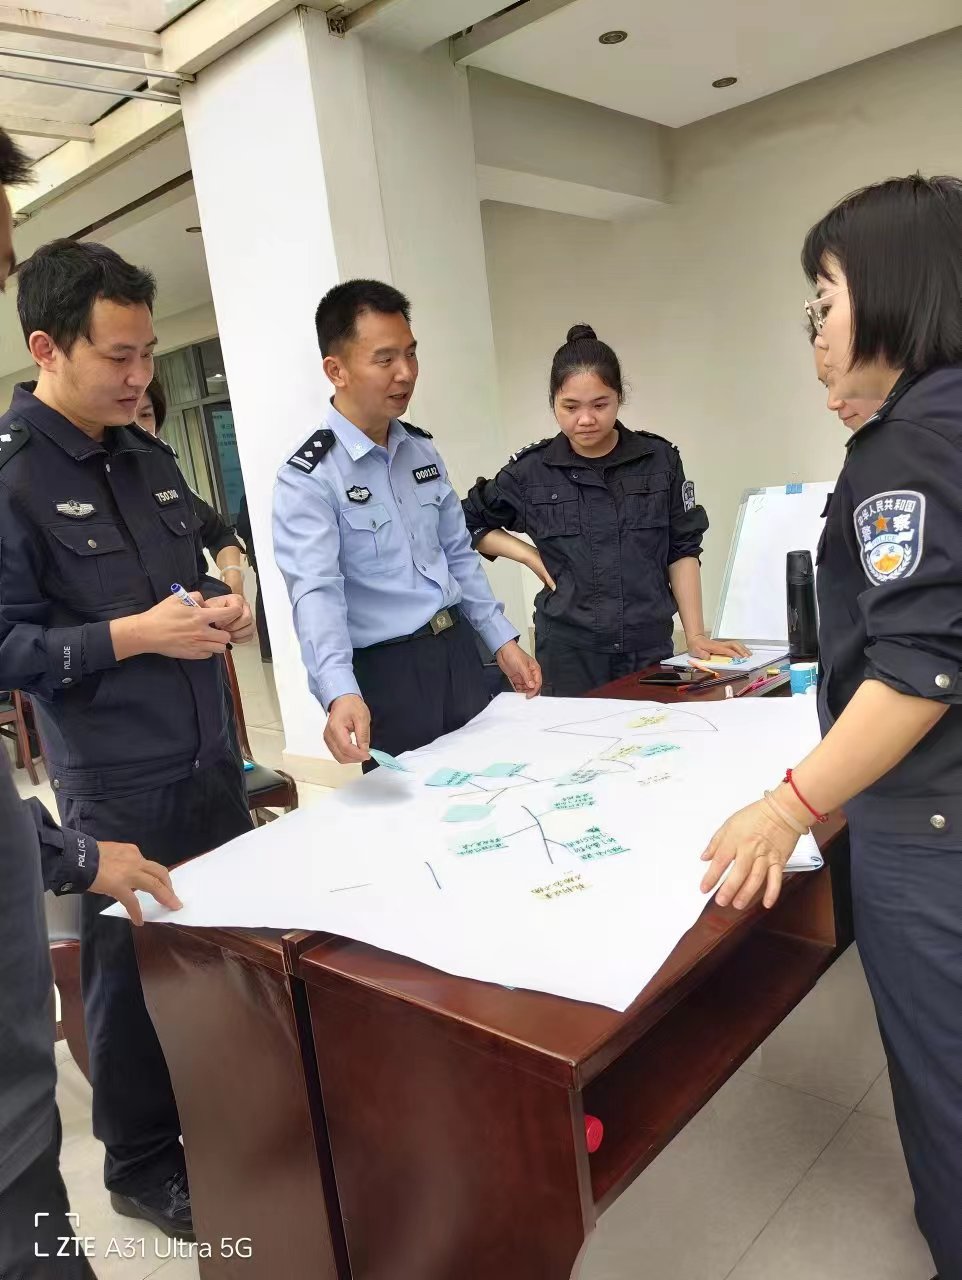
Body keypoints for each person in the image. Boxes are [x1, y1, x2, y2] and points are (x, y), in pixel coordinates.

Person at [700, 174, 962, 1280]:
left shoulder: (905, 446)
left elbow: (918, 670)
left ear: (895, 290)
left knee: (945, 1073)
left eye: (824, 301)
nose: (812, 336)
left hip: (931, 823)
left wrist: (787, 805)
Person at [0, 238, 256, 1239]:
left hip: (207, 754)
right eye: (119, 355)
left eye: (148, 353)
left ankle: (232, 1115)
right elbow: (7, 648)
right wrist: (135, 635)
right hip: (116, 779)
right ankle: (142, 1165)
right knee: (129, 978)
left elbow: (203, 538)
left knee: (226, 953)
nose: (140, 375)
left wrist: (226, 589)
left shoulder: (146, 454)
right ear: (47, 348)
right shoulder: (14, 479)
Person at [273, 278, 540, 766]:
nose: (406, 373)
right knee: (418, 808)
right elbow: (316, 593)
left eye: (411, 354)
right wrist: (339, 691)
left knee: (494, 783)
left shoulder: (421, 450)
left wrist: (500, 639)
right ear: (336, 370)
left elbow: (457, 555)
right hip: (388, 676)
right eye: (385, 359)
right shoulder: (310, 477)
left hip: (458, 653)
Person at [462, 325, 748, 696]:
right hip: (568, 653)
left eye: (600, 405)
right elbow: (465, 521)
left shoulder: (659, 461)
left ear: (619, 398)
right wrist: (529, 556)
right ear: (553, 402)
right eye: (570, 407)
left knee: (652, 732)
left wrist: (694, 635)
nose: (585, 419)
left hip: (647, 648)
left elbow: (682, 549)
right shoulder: (531, 472)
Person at [134, 378, 248, 597]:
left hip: (196, 610)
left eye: (146, 415)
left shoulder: (171, 484)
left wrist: (233, 576)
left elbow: (220, 535)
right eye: (126, 419)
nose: (136, 429)